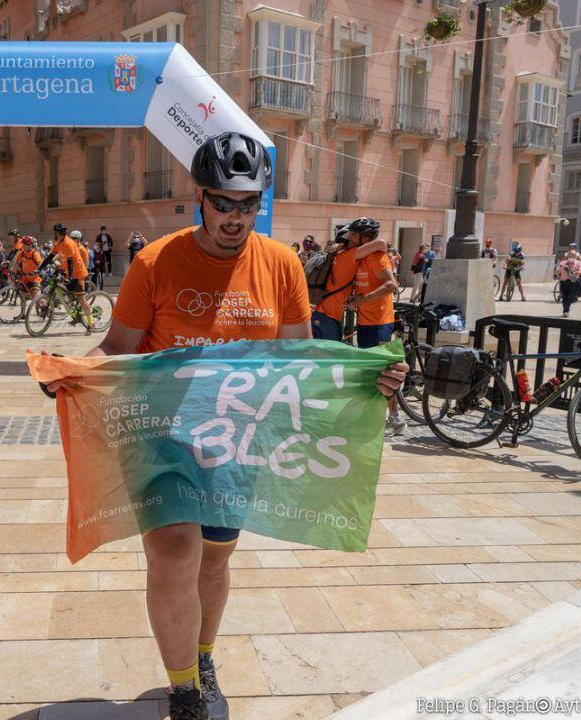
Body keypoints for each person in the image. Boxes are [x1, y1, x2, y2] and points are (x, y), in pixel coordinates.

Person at [42, 132, 408, 720]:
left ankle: (202, 656)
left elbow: (300, 360)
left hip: (240, 437)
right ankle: (184, 689)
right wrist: (73, 370)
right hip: (162, 434)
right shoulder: (155, 262)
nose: (236, 216)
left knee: (215, 557)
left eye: (248, 203)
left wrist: (370, 377)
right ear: (200, 198)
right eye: (223, 202)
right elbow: (117, 347)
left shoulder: (281, 263)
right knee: (174, 552)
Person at [343, 219, 404, 437]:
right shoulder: (362, 257)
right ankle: (374, 417)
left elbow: (391, 285)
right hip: (366, 321)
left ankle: (395, 418)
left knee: (383, 372)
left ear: (365, 238)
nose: (350, 238)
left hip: (379, 321)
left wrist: (363, 300)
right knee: (370, 373)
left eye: (354, 235)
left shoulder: (378, 259)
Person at [311, 224, 389, 343]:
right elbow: (381, 244)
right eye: (353, 237)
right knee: (331, 359)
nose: (356, 241)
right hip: (329, 320)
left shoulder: (335, 256)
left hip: (319, 314)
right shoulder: (349, 255)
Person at [38, 223, 94, 335]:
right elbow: (50, 256)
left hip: (78, 274)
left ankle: (90, 323)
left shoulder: (68, 243)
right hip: (68, 272)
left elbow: (70, 262)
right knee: (68, 295)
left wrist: (71, 277)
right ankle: (76, 315)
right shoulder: (59, 242)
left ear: (59, 233)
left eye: (55, 232)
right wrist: (40, 268)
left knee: (82, 300)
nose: (54, 234)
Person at [9, 235, 43, 321]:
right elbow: (17, 262)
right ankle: (22, 314)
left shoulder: (35, 253)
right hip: (25, 278)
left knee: (36, 296)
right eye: (23, 244)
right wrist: (13, 271)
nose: (24, 245)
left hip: (34, 278)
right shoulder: (22, 252)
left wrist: (37, 271)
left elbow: (40, 264)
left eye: (26, 244)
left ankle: (45, 308)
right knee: (22, 296)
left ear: (30, 245)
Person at [555, 249, 581, 318]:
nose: (572, 256)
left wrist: (573, 272)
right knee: (565, 297)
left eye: (573, 255)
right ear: (567, 255)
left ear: (576, 256)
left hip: (573, 282)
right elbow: (556, 272)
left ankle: (568, 305)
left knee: (572, 297)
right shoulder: (563, 263)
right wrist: (562, 268)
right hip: (564, 281)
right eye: (570, 255)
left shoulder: (578, 263)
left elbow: (579, 272)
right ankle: (566, 311)